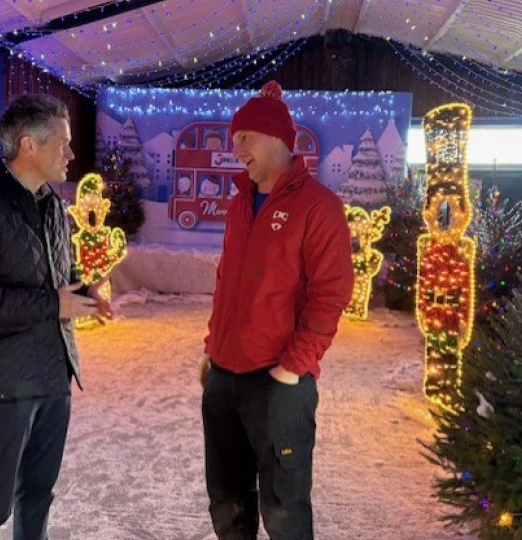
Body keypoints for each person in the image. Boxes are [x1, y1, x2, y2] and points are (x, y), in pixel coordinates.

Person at [0, 93, 111, 540]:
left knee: (37, 496)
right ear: (29, 146)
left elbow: (59, 274)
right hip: (1, 384)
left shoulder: (52, 203)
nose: (72, 154)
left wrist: (86, 292)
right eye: (63, 143)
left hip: (53, 376)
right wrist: (53, 304)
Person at [199, 81, 354, 540]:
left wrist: (293, 367)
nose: (235, 148)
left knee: (283, 511)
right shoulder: (239, 204)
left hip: (279, 381)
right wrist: (212, 349)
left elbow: (331, 293)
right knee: (228, 503)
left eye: (244, 137)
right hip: (224, 376)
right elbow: (227, 282)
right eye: (233, 140)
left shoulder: (320, 207)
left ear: (276, 139)